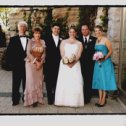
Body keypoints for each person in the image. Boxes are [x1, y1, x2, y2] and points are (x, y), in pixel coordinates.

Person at [55, 27, 84, 107]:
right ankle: (62, 101)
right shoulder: (63, 42)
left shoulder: (79, 43)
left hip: (75, 64)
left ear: (76, 33)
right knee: (64, 81)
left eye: (73, 32)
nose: (72, 33)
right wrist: (67, 62)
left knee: (74, 82)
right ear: (68, 33)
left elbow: (79, 55)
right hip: (64, 64)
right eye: (70, 32)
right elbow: (62, 53)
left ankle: (74, 101)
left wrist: (73, 63)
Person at [92, 25, 117, 107]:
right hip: (98, 63)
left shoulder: (106, 40)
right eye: (95, 31)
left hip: (105, 63)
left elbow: (110, 51)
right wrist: (96, 57)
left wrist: (104, 58)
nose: (97, 32)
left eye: (98, 30)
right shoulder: (96, 40)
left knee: (104, 80)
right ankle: (100, 98)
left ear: (101, 31)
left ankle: (103, 99)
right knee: (99, 80)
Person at [6, 21, 29, 106]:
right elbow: (9, 53)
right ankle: (15, 100)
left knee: (26, 83)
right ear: (18, 28)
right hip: (16, 66)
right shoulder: (13, 39)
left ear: (26, 28)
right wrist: (11, 64)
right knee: (16, 83)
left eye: (24, 26)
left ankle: (25, 98)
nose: (22, 28)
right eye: (21, 26)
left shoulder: (29, 39)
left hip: (27, 65)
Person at [24, 27, 46, 107]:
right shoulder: (30, 41)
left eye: (39, 33)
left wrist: (41, 63)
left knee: (38, 82)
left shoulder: (43, 42)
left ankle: (37, 99)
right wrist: (36, 62)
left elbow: (44, 53)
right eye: (36, 33)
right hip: (31, 64)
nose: (38, 35)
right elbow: (28, 53)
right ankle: (31, 100)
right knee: (31, 82)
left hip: (40, 64)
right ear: (33, 34)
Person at [44, 23, 62, 105]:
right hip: (48, 64)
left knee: (57, 82)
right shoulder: (45, 39)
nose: (56, 30)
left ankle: (56, 98)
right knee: (48, 82)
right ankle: (50, 100)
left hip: (59, 64)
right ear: (52, 29)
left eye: (58, 29)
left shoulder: (62, 39)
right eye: (55, 28)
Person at [78, 24, 96, 104]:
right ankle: (80, 97)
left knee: (88, 81)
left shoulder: (94, 39)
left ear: (89, 30)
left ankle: (87, 98)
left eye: (86, 29)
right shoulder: (78, 39)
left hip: (90, 64)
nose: (84, 31)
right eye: (83, 29)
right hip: (79, 64)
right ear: (81, 30)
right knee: (80, 81)